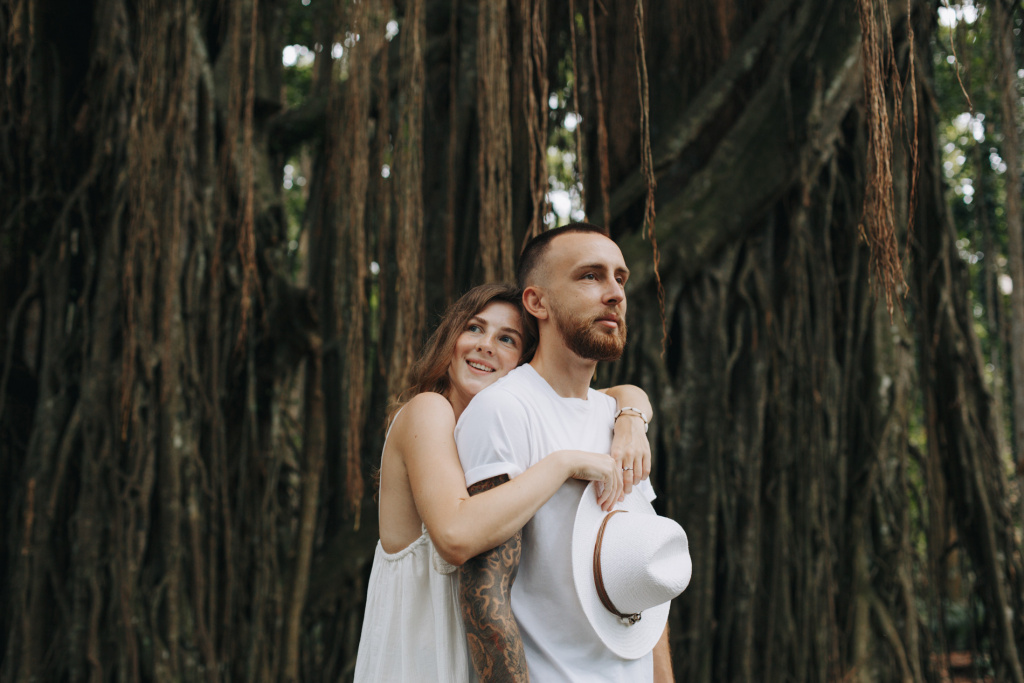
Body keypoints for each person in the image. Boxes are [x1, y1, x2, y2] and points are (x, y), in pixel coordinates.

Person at [353, 283, 654, 682]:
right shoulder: (428, 410)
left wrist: (632, 416)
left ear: (525, 366)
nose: (486, 345)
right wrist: (562, 463)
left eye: (507, 338)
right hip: (422, 661)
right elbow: (455, 534)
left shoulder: (491, 436)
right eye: (474, 328)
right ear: (450, 340)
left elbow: (617, 393)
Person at [455, 224, 673, 682]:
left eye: (620, 278)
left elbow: (645, 579)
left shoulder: (622, 422)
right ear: (537, 302)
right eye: (591, 276)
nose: (615, 293)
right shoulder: (505, 409)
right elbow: (486, 595)